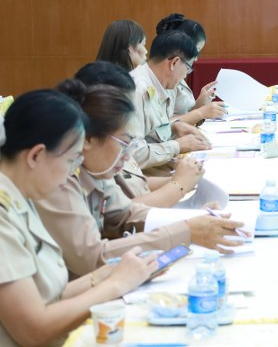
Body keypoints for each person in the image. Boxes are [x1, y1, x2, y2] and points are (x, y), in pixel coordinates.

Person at [35, 80, 244, 278]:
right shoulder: (60, 179)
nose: (128, 157)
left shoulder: (96, 169)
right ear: (89, 139)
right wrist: (186, 230)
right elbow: (92, 257)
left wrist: (194, 218)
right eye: (124, 144)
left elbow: (126, 213)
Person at [0, 90, 157, 345]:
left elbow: (49, 296)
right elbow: (32, 329)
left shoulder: (22, 194)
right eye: (72, 161)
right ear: (36, 155)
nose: (72, 173)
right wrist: (115, 285)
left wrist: (105, 275)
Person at [75, 61, 205, 206]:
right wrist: (178, 185)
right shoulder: (87, 164)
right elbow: (125, 213)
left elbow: (135, 183)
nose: (131, 113)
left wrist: (182, 179)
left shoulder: (110, 144)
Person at [129, 30, 210, 175]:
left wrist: (174, 128)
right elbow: (133, 154)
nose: (185, 75)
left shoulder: (154, 83)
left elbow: (150, 135)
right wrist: (177, 145)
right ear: (174, 62)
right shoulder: (137, 90)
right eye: (188, 68)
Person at [154, 13, 224, 124]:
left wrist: (200, 104)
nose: (196, 58)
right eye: (196, 51)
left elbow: (183, 116)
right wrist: (200, 112)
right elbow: (163, 127)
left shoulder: (178, 70)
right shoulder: (168, 76)